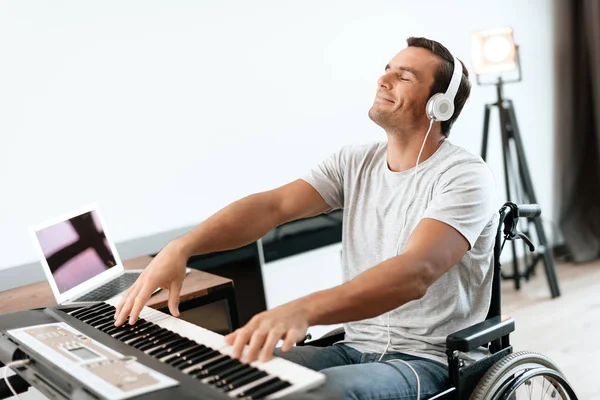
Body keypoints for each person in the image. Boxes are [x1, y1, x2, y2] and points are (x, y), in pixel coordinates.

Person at [114, 36, 499, 399]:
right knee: (225, 369)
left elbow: (416, 273)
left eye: (404, 76)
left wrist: (304, 308)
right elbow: (273, 207)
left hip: (426, 361)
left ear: (439, 106)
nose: (383, 80)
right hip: (353, 346)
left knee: (311, 395)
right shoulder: (354, 162)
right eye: (387, 69)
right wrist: (182, 247)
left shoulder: (465, 176)